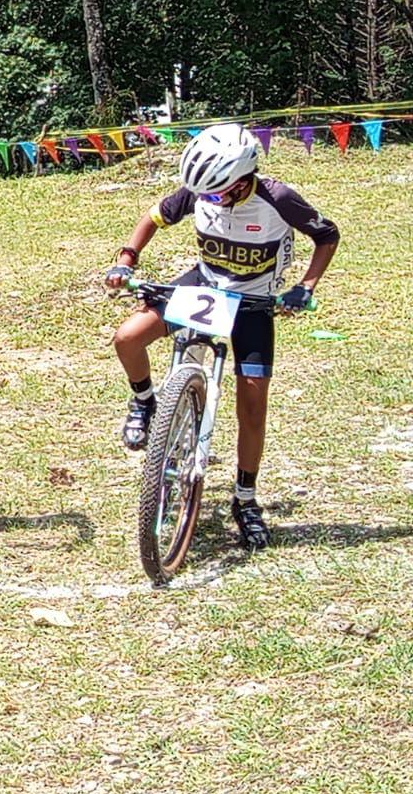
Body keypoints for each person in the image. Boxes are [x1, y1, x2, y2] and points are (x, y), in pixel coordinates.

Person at [103, 123, 339, 549]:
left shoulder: (278, 199)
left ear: (243, 179)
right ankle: (143, 402)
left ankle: (245, 499)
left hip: (252, 301)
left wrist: (305, 287)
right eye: (203, 196)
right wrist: (126, 260)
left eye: (215, 194)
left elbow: (327, 235)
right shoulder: (198, 191)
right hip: (204, 285)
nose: (207, 201)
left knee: (252, 405)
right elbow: (154, 216)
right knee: (128, 337)